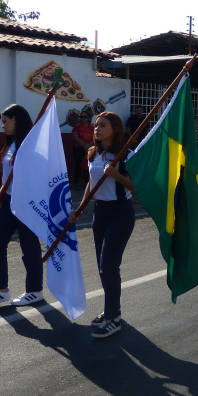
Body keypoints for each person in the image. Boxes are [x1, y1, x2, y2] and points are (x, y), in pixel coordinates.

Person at [67, 112, 135, 338]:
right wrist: (80, 209)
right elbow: (91, 184)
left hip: (121, 213)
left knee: (109, 266)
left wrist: (116, 174)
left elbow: (136, 187)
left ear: (115, 129)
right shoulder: (92, 153)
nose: (96, 128)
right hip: (100, 213)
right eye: (96, 125)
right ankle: (111, 310)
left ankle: (113, 318)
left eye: (102, 125)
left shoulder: (126, 155)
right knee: (102, 267)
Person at [0, 104, 44, 309]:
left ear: (16, 119)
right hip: (7, 201)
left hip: (26, 202)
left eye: (5, 121)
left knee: (29, 248)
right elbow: (7, 177)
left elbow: (39, 175)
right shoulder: (11, 144)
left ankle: (35, 291)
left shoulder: (31, 145)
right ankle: (1, 291)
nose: (2, 126)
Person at [71, 111, 94, 190]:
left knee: (87, 166)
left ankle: (86, 182)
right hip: (78, 149)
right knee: (78, 165)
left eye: (85, 117)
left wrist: (89, 145)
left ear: (89, 118)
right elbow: (75, 137)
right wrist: (84, 145)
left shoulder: (92, 127)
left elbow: (95, 138)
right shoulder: (77, 126)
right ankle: (77, 183)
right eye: (81, 117)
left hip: (89, 150)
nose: (83, 119)